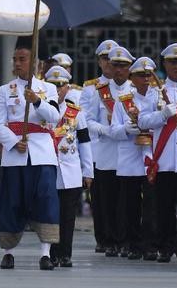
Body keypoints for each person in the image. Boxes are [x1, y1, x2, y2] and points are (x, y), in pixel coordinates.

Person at [0, 36, 61, 271]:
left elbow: (55, 118)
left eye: (22, 59)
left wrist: (38, 101)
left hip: (42, 152)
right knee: (11, 202)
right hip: (15, 155)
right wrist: (12, 142)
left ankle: (45, 253)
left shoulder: (48, 88)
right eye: (15, 59)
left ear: (34, 62)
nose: (17, 63)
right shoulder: (4, 90)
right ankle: (8, 252)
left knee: (45, 200)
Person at [138, 43, 177, 263]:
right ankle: (165, 247)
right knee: (164, 206)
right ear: (165, 64)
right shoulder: (155, 92)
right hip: (165, 158)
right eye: (172, 62)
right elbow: (142, 120)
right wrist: (162, 115)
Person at [85, 45, 134, 257]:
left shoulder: (135, 89)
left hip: (130, 153)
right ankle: (109, 239)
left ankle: (126, 240)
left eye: (122, 65)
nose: (117, 69)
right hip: (105, 152)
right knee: (107, 201)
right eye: (114, 64)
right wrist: (107, 130)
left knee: (128, 202)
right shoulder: (99, 92)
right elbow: (87, 120)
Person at [45, 66, 93, 267]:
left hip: (71, 172)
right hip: (48, 170)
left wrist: (88, 170)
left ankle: (66, 254)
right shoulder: (42, 110)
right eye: (53, 85)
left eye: (61, 85)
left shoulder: (75, 112)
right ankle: (51, 253)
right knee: (50, 215)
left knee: (68, 216)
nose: (58, 89)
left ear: (68, 87)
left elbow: (85, 142)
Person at [110, 57, 157, 260]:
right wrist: (126, 129)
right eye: (140, 75)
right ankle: (132, 243)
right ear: (132, 77)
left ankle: (149, 244)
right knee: (129, 206)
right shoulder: (124, 100)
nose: (145, 79)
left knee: (151, 205)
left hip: (152, 157)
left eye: (148, 75)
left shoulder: (159, 98)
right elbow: (114, 130)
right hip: (130, 158)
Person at [80, 39, 118, 254]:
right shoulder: (91, 88)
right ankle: (103, 238)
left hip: (122, 150)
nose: (109, 63)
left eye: (113, 59)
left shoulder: (127, 85)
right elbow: (84, 118)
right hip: (99, 149)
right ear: (99, 61)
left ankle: (120, 237)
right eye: (105, 59)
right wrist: (105, 129)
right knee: (100, 199)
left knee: (120, 198)